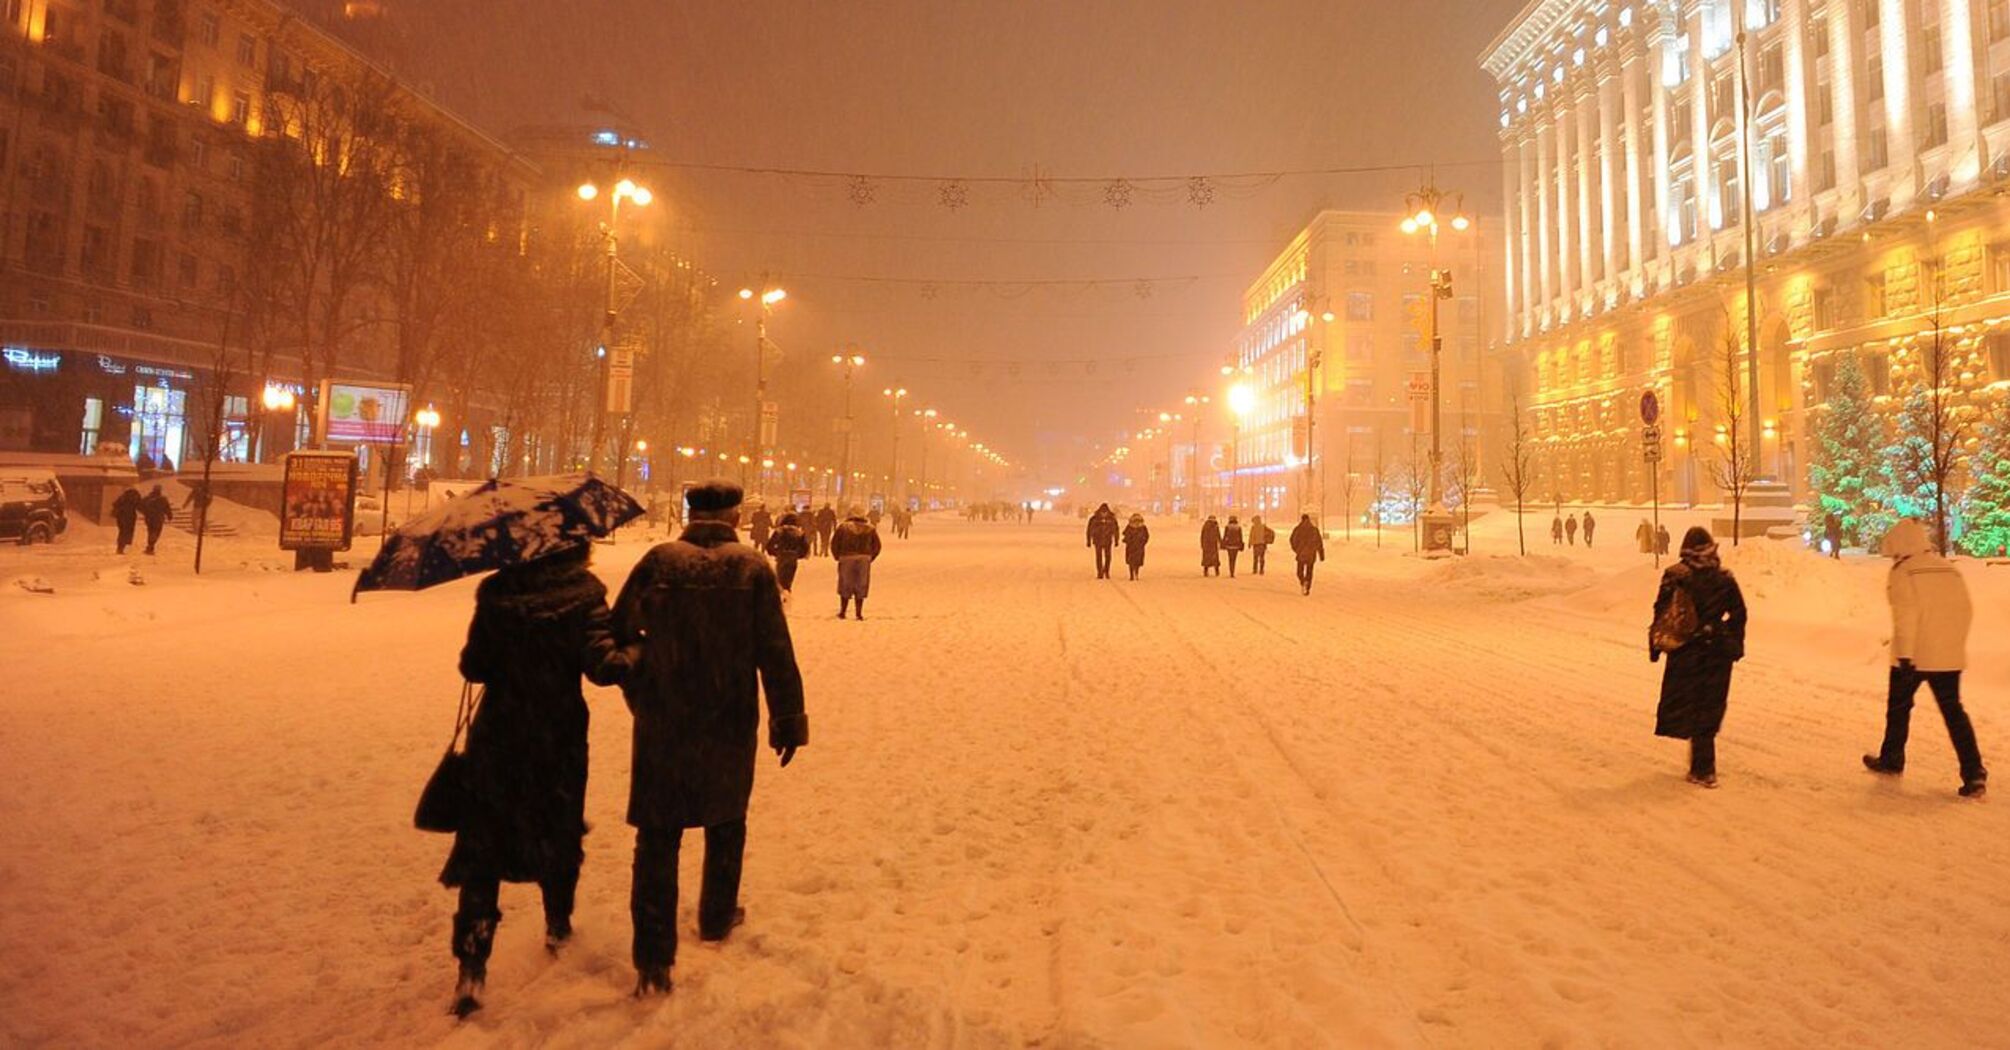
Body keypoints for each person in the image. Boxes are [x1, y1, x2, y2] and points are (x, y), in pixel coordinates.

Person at [610, 481, 808, 998]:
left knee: (657, 835)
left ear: (690, 515)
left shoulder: (660, 562)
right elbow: (775, 652)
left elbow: (617, 636)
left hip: (664, 723)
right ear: (735, 516)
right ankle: (717, 917)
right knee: (726, 823)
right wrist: (787, 720)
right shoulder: (750, 570)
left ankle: (653, 958)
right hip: (726, 718)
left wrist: (643, 687)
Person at [444, 543, 624, 1018]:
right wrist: (637, 648)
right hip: (557, 735)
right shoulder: (584, 595)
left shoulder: (498, 591)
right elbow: (602, 667)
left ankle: (472, 963)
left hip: (499, 734)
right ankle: (558, 924)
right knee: (557, 826)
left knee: (484, 846)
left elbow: (474, 666)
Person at [1862, 519, 1989, 797]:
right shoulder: (1949, 570)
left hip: (1914, 655)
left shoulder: (1903, 571)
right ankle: (1974, 771)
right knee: (1954, 712)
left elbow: (1905, 615)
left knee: (1898, 708)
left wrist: (1906, 656)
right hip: (1949, 656)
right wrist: (1953, 645)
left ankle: (1892, 759)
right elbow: (1965, 610)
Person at [1649, 527, 1748, 788]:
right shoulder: (1724, 578)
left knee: (1690, 705)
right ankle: (1704, 766)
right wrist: (1733, 640)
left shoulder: (1676, 576)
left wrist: (1656, 646)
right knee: (1710, 706)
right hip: (1717, 651)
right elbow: (1740, 613)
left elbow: (1662, 611)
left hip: (1687, 651)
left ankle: (1703, 768)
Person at [830, 505, 883, 619]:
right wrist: (870, 557)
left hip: (846, 557)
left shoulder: (843, 527)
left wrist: (837, 556)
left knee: (845, 583)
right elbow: (877, 546)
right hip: (864, 558)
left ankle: (843, 611)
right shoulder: (870, 528)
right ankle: (858, 613)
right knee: (861, 584)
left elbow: (834, 543)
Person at [765, 512, 812, 596]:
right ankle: (787, 595)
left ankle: (780, 598)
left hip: (781, 557)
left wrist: (775, 553)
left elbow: (769, 545)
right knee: (788, 580)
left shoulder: (779, 531)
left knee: (780, 579)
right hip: (792, 558)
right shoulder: (799, 532)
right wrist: (798, 555)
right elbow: (805, 548)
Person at [1290, 514, 1325, 595]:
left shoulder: (1298, 529)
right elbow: (1319, 542)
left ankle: (1302, 581)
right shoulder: (1314, 530)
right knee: (1309, 571)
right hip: (1311, 554)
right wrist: (1321, 554)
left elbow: (1292, 540)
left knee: (1299, 571)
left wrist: (1296, 549)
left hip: (1301, 553)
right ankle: (1308, 586)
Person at [1086, 502, 1120, 579]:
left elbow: (1116, 530)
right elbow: (1089, 530)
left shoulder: (1112, 519)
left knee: (1108, 557)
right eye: (1102, 512)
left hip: (1108, 540)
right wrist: (1088, 540)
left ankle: (1106, 571)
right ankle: (1100, 572)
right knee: (1099, 557)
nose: (1104, 514)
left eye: (1105, 512)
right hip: (1097, 540)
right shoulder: (1094, 519)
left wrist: (1116, 540)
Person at [138, 484, 172, 555]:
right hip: (158, 518)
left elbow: (139, 506)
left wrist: (145, 512)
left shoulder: (147, 498)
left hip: (149, 518)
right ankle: (151, 546)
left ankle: (150, 546)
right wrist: (169, 516)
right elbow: (167, 508)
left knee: (151, 532)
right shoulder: (163, 499)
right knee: (156, 532)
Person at [112, 486, 141, 555]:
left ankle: (120, 547)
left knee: (122, 531)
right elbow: (140, 506)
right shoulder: (135, 497)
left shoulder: (122, 497)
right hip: (130, 517)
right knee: (127, 532)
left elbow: (115, 504)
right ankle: (122, 547)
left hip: (120, 516)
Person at [1121, 513, 1150, 581]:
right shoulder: (1132, 527)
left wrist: (1143, 542)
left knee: (1136, 561)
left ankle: (1135, 573)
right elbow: (1125, 534)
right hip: (1133, 546)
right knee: (1132, 561)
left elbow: (1146, 536)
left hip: (1137, 547)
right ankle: (1132, 575)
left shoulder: (1142, 528)